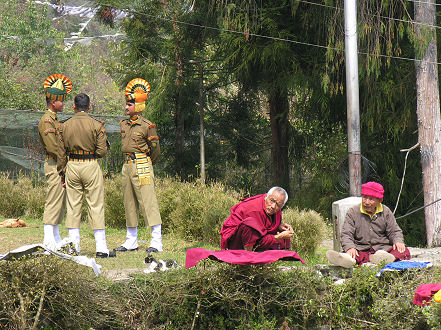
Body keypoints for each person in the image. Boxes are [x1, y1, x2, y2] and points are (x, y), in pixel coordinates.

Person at [57, 93, 115, 258]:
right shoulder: (97, 125)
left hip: (72, 165)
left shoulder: (64, 126)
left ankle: (74, 247)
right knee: (95, 205)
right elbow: (102, 151)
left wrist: (62, 173)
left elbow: (61, 153)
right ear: (89, 107)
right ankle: (101, 248)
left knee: (73, 206)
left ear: (74, 107)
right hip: (90, 164)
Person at [113, 78, 163, 253]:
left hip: (142, 162)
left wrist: (147, 162)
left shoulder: (148, 126)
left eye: (129, 104)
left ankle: (156, 241)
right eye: (126, 104)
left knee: (148, 201)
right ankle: (131, 241)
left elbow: (155, 150)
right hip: (126, 165)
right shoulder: (124, 124)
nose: (126, 107)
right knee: (129, 202)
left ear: (138, 106)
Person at [326, 181, 411, 268]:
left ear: (379, 200)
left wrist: (398, 241)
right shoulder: (353, 212)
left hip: (383, 249)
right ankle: (348, 259)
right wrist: (350, 247)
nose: (366, 202)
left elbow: (394, 231)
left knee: (403, 251)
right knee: (355, 254)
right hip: (362, 249)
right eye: (365, 197)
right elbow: (346, 233)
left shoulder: (386, 212)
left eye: (371, 199)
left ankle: (383, 258)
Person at [38, 74, 72, 250]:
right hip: (54, 163)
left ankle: (55, 235)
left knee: (60, 199)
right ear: (53, 101)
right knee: (53, 199)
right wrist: (64, 162)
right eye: (61, 101)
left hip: (59, 163)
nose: (63, 104)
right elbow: (53, 147)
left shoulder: (55, 120)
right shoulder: (47, 120)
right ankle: (48, 237)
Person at [220, 187, 293, 251]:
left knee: (284, 230)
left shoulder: (274, 209)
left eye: (278, 204)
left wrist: (279, 226)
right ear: (266, 197)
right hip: (234, 241)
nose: (273, 206)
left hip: (255, 237)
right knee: (250, 224)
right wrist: (278, 237)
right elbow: (261, 239)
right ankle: (249, 257)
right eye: (272, 201)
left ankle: (281, 254)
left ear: (282, 205)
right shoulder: (254, 210)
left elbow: (267, 225)